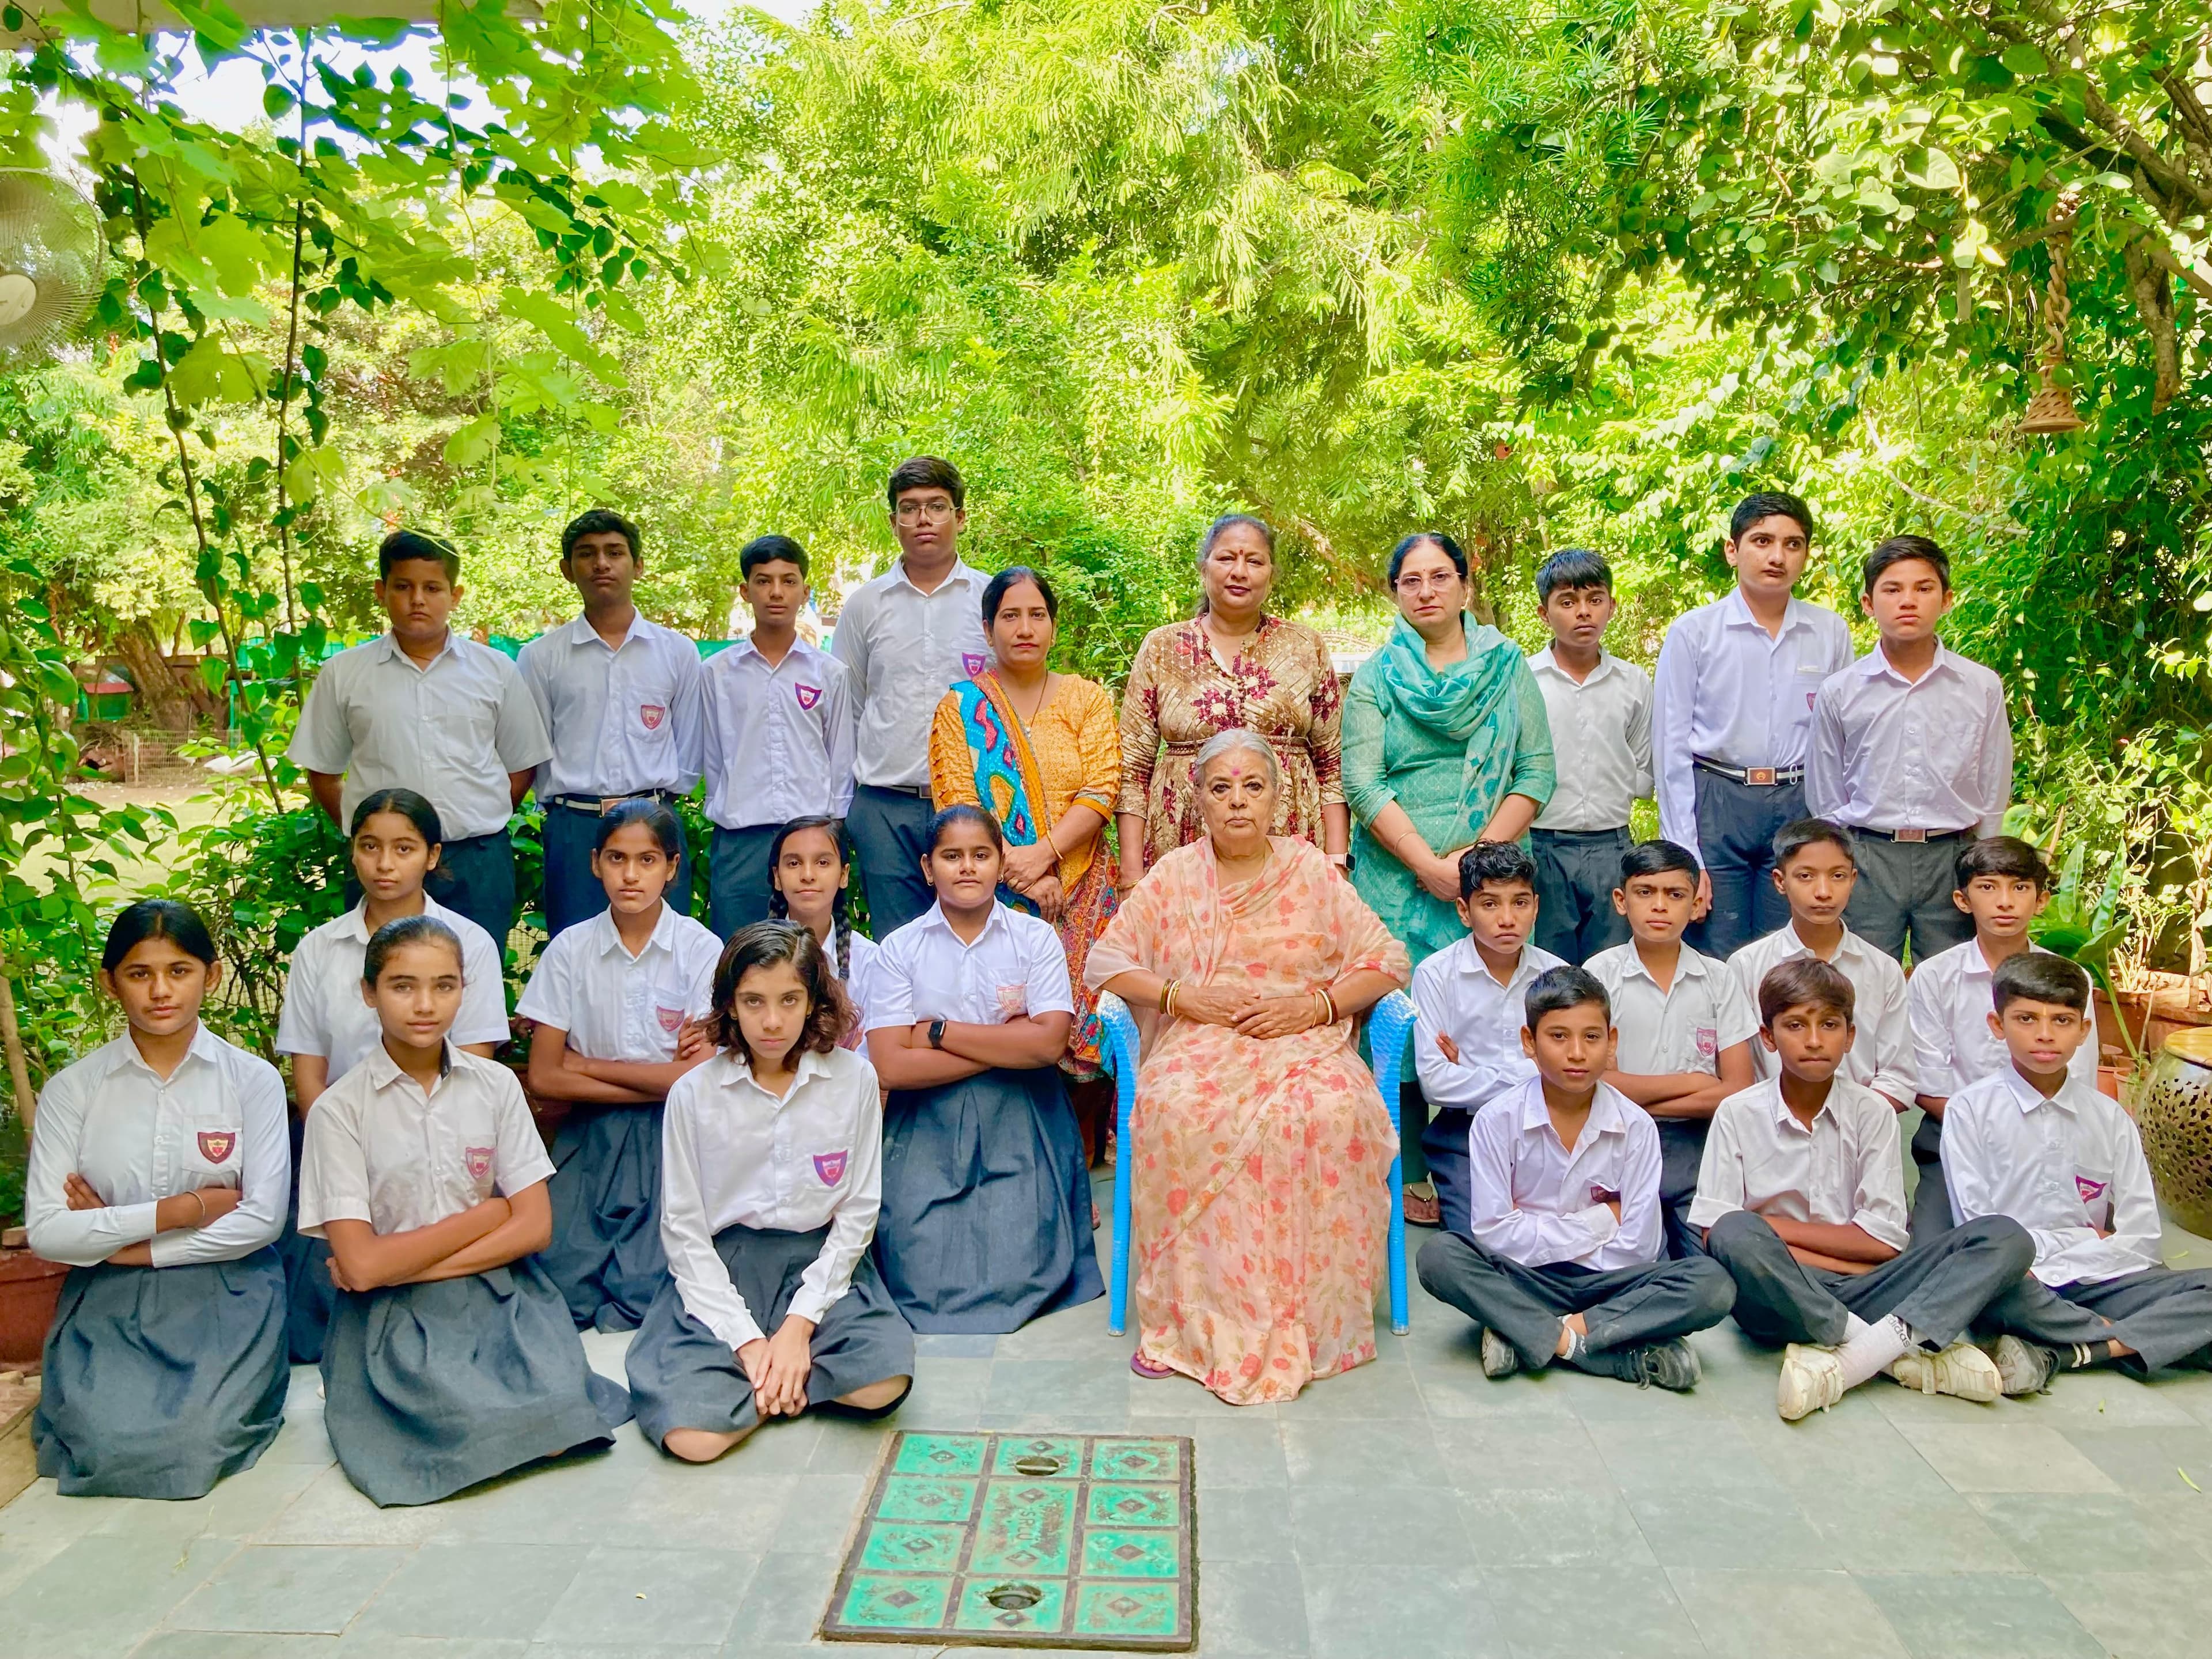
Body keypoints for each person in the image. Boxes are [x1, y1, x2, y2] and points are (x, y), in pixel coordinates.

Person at [1089, 728, 1412, 1403]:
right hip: (1201, 1040)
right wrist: (1183, 996)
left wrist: (1317, 1007)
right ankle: (1200, 1317)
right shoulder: (1175, 875)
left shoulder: (1311, 870)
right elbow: (1108, 962)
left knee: (1330, 1110)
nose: (1238, 802)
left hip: (1306, 1038)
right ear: (1197, 799)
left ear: (1279, 796)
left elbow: (1387, 960)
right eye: (1221, 787)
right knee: (1183, 1107)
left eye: (1253, 786)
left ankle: (1311, 1318)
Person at [299, 915, 631, 1508]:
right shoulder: (338, 1111)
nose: (425, 1005)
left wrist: (393, 1263)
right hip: (391, 1317)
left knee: (561, 1419)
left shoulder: (497, 1086)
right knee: (458, 1423)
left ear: (464, 990)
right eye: (402, 986)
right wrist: (485, 1217)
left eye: (444, 986)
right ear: (368, 993)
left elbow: (534, 1227)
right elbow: (363, 1267)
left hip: (505, 1296)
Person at [26, 900, 289, 1499]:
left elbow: (263, 1220)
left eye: (180, 971)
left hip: (229, 1288)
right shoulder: (75, 1091)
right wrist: (181, 1211)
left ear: (212, 976)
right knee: (103, 1443)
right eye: (140, 974)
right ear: (110, 983)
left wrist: (122, 1243)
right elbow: (46, 1230)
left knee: (194, 1441)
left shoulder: (252, 1081)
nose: (161, 991)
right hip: (109, 1298)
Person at [626, 923, 915, 1461]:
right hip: (724, 1265)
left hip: (822, 1261)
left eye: (790, 1000)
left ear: (813, 1003)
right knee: (694, 1441)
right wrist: (749, 1340)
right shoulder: (693, 1094)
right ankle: (777, 1383)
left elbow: (858, 1211)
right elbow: (685, 1232)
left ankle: (764, 1386)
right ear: (730, 1006)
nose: (773, 1020)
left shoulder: (853, 1078)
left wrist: (799, 1326)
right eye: (753, 1001)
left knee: (882, 1384)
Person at [1696, 959, 2028, 1421]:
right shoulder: (1738, 1113)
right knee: (1735, 1232)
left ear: (1850, 1037)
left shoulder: (1872, 1112)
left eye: (1829, 1025)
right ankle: (1889, 1353)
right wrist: (1780, 1246)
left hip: (1867, 1287)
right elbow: (1719, 1236)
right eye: (1795, 1026)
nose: (1814, 1040)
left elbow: (1883, 1244)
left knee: (2006, 1237)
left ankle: (1851, 1361)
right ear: (1768, 1038)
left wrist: (1770, 1231)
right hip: (1772, 1297)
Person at [1415, 967, 1735, 1391]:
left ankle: (1532, 1332)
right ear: (1529, 1042)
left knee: (1712, 1285)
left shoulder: (1636, 1126)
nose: (1577, 1053)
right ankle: (1599, 1349)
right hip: (1527, 1278)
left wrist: (1535, 1228)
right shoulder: (1497, 1120)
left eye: (1592, 1037)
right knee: (1439, 1257)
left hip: (1610, 1285)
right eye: (1559, 1037)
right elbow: (1495, 1235)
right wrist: (1603, 1220)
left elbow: (1637, 1247)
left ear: (1612, 1042)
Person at [274, 789, 509, 1363]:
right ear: (352, 854)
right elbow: (309, 1074)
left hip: (444, 1140)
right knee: (322, 1311)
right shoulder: (319, 950)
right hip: (341, 1149)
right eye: (370, 847)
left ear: (431, 856)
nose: (385, 864)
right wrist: (348, 1153)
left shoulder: (469, 945)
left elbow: (476, 1068)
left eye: (403, 849)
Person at [865, 804, 1103, 1332]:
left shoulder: (1034, 938)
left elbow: (1048, 1046)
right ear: (928, 868)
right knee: (915, 1260)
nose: (967, 867)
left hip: (1022, 1110)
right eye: (952, 856)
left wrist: (937, 1033)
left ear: (1000, 863)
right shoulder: (899, 950)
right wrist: (1005, 1042)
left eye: (981, 855)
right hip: (925, 1118)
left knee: (1021, 1249)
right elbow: (891, 1066)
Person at [1947, 955, 2212, 1392]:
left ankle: (2073, 1351)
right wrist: (2082, 1242)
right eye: (2027, 1019)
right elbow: (1981, 1233)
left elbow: (2142, 1237)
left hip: (2103, 1282)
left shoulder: (2109, 1118)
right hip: (2023, 1285)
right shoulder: (1971, 1112)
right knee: (1986, 1288)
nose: (2045, 1035)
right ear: (1998, 1025)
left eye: (2063, 1020)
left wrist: (2078, 1254)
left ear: (2084, 1029)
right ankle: (2147, 1337)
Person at [290, 528, 551, 946]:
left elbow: (522, 765)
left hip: (476, 863)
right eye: (403, 587)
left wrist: (477, 819)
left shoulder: (496, 670)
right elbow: (323, 770)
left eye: (432, 588)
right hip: (385, 865)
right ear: (381, 591)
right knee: (380, 986)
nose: (417, 600)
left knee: (473, 983)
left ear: (456, 594)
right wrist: (371, 835)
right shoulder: (345, 674)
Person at [518, 800, 722, 1331]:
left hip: (673, 1132)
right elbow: (543, 1077)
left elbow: (695, 1081)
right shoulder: (570, 950)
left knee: (650, 1286)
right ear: (595, 864)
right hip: (589, 1132)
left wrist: (585, 1066)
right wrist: (654, 1080)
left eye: (648, 860)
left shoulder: (701, 949)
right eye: (616, 859)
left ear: (673, 867)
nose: (631, 875)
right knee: (558, 1277)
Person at [929, 565, 1120, 1119]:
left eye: (1037, 615)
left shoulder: (1086, 699)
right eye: (1010, 616)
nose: (1025, 628)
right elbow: (959, 805)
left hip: (1085, 882)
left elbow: (1103, 785)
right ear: (988, 630)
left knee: (1090, 1014)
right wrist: (1022, 875)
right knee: (1005, 1013)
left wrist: (1047, 858)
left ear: (1054, 628)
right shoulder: (960, 708)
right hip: (988, 889)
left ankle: (1081, 1143)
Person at [1652, 494, 1853, 957]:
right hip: (1717, 802)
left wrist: (1832, 833)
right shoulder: (1695, 632)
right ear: (1732, 550)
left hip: (1798, 802)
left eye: (1793, 544)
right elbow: (1671, 746)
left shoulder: (1829, 632)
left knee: (1789, 955)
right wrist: (1686, 853)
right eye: (1762, 541)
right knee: (1715, 952)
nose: (1777, 556)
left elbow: (1841, 744)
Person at [1344, 529, 1554, 968]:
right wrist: (1427, 866)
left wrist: (1474, 862)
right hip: (1396, 879)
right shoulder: (1375, 676)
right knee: (1398, 1014)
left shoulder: (1507, 665)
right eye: (1412, 581)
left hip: (1495, 883)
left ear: (1465, 587)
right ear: (1396, 591)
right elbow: (1363, 783)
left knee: (1495, 1009)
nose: (1426, 591)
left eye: (1440, 577)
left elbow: (1536, 772)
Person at [1807, 535, 2012, 961]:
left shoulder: (1980, 687)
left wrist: (1985, 868)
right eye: (1892, 589)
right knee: (1856, 983)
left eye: (1923, 588)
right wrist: (1841, 861)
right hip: (1868, 856)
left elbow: (1993, 782)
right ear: (1867, 604)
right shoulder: (1841, 691)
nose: (1908, 601)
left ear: (1947, 599)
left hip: (1952, 856)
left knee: (1953, 983)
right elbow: (1825, 793)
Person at [1116, 514, 1349, 885]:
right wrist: (1131, 876)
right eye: (1227, 558)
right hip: (1183, 849)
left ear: (1271, 574)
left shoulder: (1305, 647)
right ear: (1204, 567)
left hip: (1290, 848)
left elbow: (1333, 767)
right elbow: (1133, 771)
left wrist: (1337, 864)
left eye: (1254, 561)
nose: (1240, 571)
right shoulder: (1162, 648)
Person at [517, 509, 705, 938]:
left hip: (657, 821)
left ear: (637, 565)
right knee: (576, 950)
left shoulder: (677, 653)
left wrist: (661, 806)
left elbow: (691, 746)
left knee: (667, 949)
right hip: (575, 827)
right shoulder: (541, 657)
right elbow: (532, 749)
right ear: (568, 570)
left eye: (615, 552)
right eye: (587, 554)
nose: (602, 563)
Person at [1906, 836, 2097, 1245]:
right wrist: (1989, 1129)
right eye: (1988, 887)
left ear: (2041, 900)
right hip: (1952, 1136)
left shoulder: (2071, 978)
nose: (2005, 902)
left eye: (2020, 888)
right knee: (1931, 1254)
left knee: (2078, 1250)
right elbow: (1929, 1082)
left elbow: (2080, 1079)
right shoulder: (1935, 977)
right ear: (1963, 900)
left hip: (2051, 1137)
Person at [832, 458, 991, 935]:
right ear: (893, 521)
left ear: (960, 518)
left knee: (974, 935)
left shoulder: (991, 599)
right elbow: (850, 705)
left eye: (937, 507)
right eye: (910, 508)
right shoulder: (864, 605)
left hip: (974, 801)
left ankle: (963, 1018)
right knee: (897, 943)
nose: (923, 519)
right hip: (886, 805)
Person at [1584, 839, 1758, 1258]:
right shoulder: (1598, 976)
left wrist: (1633, 1093)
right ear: (1622, 901)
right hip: (1614, 1143)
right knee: (1627, 1260)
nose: (1659, 906)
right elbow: (1592, 1083)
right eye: (1646, 893)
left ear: (1696, 903)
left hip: (1697, 1147)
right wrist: (1694, 1081)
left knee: (1711, 1266)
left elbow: (1737, 1089)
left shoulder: (1719, 979)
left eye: (1675, 894)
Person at [703, 535, 857, 937]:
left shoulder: (829, 673)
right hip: (741, 840)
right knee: (736, 954)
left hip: (810, 836)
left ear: (805, 591)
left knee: (810, 956)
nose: (776, 592)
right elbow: (712, 759)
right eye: (763, 580)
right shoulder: (717, 673)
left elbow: (839, 759)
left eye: (789, 581)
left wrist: (832, 835)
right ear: (745, 591)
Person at [1410, 842, 1566, 1236]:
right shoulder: (1435, 975)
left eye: (1520, 903)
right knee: (1486, 1237)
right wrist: (1533, 1070)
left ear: (1536, 906)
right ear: (1465, 911)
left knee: (1559, 1229)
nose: (1508, 919)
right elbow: (1435, 1084)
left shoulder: (1557, 976)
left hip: (1546, 1130)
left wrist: (1473, 1073)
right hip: (1465, 1134)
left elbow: (1570, 1076)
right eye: (1490, 904)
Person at [1729, 820, 1915, 1112]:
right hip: (1770, 1129)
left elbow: (1898, 1077)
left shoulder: (1882, 969)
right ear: (1780, 881)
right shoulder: (1747, 966)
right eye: (1806, 876)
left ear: (1854, 879)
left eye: (1838, 876)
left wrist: (1853, 1122)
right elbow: (1741, 1070)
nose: (1824, 892)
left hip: (1860, 1131)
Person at [1525, 548, 1650, 964]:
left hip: (1612, 845)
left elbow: (1643, 761)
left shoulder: (1634, 683)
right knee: (1547, 969)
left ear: (1612, 606)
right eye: (1568, 602)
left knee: (1611, 968)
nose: (1584, 613)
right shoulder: (1523, 681)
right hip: (1542, 845)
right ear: (1544, 613)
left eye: (1595, 600)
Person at [766, 815, 882, 1044]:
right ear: (777, 877)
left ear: (844, 874)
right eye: (794, 863)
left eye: (822, 863)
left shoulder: (870, 960)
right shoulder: (750, 956)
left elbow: (875, 1050)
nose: (808, 875)